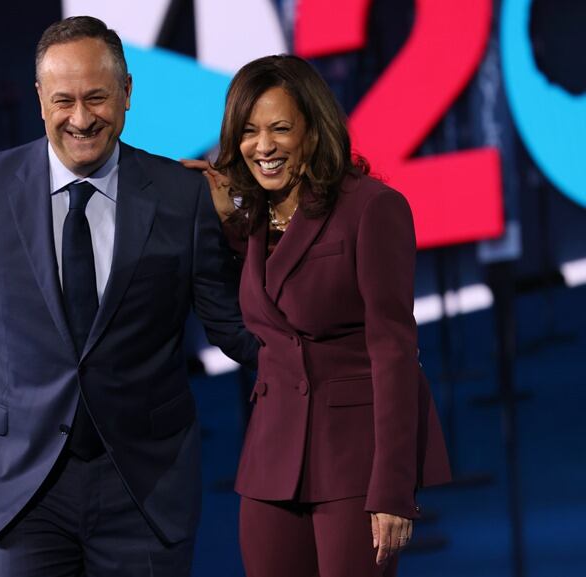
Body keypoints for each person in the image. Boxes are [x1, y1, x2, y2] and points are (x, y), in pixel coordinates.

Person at [0, 15, 257, 577]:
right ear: (40, 99)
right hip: (22, 490)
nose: (80, 118)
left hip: (146, 486)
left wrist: (334, 348)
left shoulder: (182, 195)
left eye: (97, 97)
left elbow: (233, 329)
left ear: (126, 95)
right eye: (64, 99)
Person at [183, 55, 451, 577]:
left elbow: (394, 351)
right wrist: (228, 211)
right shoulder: (252, 217)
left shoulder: (372, 209)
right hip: (271, 463)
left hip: (355, 463)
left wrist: (394, 484)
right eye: (249, 131)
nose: (263, 147)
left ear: (313, 131)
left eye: (280, 129)